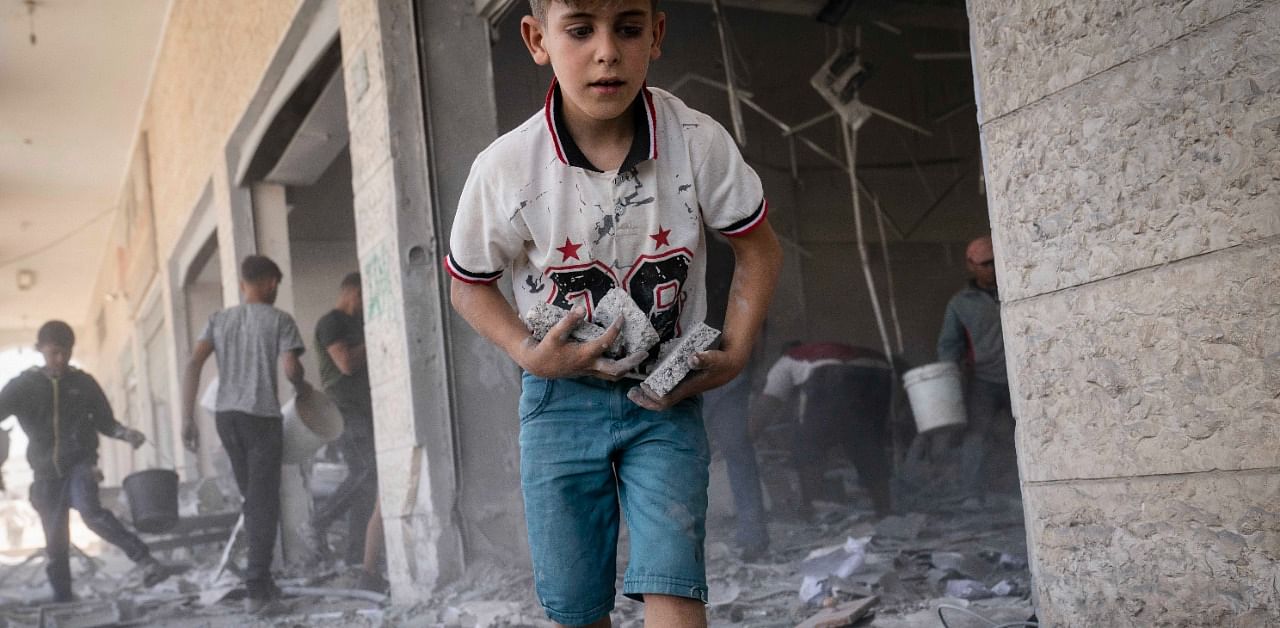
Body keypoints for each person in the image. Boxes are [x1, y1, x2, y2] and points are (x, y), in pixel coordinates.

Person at [445, 1, 782, 625]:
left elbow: (758, 247)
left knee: (674, 581)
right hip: (558, 401)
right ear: (536, 38)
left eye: (627, 28)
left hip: (666, 399)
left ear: (655, 34)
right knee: (576, 605)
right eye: (580, 30)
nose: (606, 51)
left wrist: (735, 349)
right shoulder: (504, 168)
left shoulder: (697, 141)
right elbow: (469, 285)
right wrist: (525, 351)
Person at [0, 321, 168, 603]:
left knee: (91, 512)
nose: (60, 360)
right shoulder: (23, 386)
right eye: (53, 353)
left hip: (80, 463)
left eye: (65, 353)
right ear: (40, 349)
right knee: (55, 541)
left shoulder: (83, 383)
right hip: (44, 473)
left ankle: (146, 561)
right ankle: (63, 598)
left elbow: (105, 422)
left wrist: (125, 433)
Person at [180, 255, 307, 615]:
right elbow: (289, 366)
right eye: (275, 285)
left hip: (226, 419)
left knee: (252, 500)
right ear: (269, 283)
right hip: (261, 419)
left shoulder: (219, 320)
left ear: (241, 283)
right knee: (264, 504)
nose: (275, 290)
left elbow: (193, 363)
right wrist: (302, 386)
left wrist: (187, 418)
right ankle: (256, 592)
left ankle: (264, 583)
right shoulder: (280, 319)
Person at [755, 342, 894, 518]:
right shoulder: (825, 349)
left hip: (829, 374)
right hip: (879, 369)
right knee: (868, 443)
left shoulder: (787, 360)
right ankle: (884, 508)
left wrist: (746, 438)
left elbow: (768, 405)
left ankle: (812, 509)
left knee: (807, 444)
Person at [310, 272, 378, 569]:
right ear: (353, 292)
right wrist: (375, 337)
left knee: (367, 488)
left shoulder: (357, 324)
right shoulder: (331, 323)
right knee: (365, 473)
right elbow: (346, 364)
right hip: (344, 411)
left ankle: (356, 557)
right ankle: (318, 521)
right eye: (364, 296)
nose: (366, 304)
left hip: (364, 410)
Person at [937, 235, 1011, 503]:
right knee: (976, 437)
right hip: (984, 380)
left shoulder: (1017, 286)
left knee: (1034, 434)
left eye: (995, 262)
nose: (992, 268)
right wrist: (949, 382)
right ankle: (971, 494)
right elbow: (949, 345)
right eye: (985, 264)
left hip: (1023, 380)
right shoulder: (961, 303)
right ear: (971, 265)